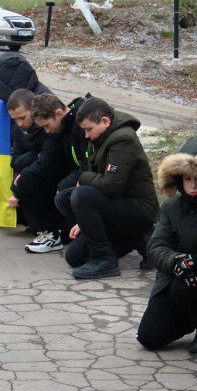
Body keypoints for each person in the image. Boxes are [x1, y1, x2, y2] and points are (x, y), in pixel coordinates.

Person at [137, 136, 197, 354]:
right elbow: (156, 246)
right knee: (149, 337)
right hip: (175, 276)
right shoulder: (171, 206)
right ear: (178, 179)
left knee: (186, 284)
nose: (194, 184)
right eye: (188, 179)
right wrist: (177, 261)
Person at [55, 97, 158, 279]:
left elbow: (112, 185)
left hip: (138, 209)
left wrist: (84, 178)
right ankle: (135, 239)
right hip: (116, 205)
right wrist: (84, 220)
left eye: (88, 129)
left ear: (105, 121)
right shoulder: (101, 136)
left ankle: (105, 260)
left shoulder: (123, 139)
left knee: (81, 196)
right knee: (75, 256)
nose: (86, 135)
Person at [8, 90, 69, 253]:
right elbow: (15, 161)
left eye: (22, 117)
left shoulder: (47, 126)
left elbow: (49, 161)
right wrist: (35, 155)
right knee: (25, 178)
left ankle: (51, 232)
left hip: (57, 177)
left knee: (26, 180)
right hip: (39, 173)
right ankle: (45, 230)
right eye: (15, 119)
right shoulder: (18, 130)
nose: (19, 123)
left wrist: (18, 188)